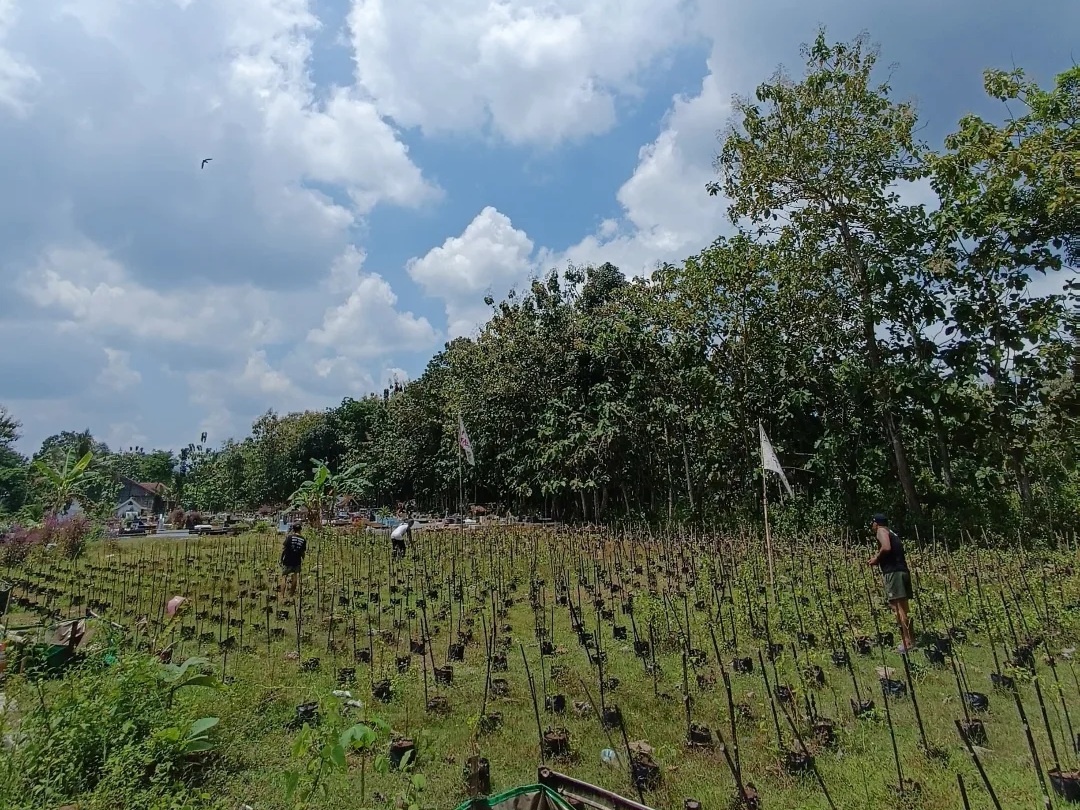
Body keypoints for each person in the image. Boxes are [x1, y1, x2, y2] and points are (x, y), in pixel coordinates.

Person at [867, 513, 915, 654]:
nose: (872, 526)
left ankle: (906, 643)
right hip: (902, 571)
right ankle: (911, 640)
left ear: (876, 523)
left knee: (898, 608)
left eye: (872, 523)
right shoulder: (892, 532)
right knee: (904, 608)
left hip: (893, 573)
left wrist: (876, 558)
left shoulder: (881, 531)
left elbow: (886, 547)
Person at [280, 522, 306, 601]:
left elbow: (284, 549)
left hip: (288, 559)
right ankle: (291, 594)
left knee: (284, 576)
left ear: (293, 529)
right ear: (300, 530)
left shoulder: (289, 537)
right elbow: (302, 552)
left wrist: (281, 559)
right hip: (297, 560)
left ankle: (282, 595)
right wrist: (303, 559)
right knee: (295, 577)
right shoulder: (303, 539)